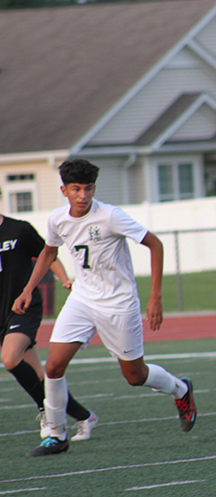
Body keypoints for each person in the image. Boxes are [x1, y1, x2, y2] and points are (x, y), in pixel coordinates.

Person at [13, 159, 197, 457]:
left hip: (119, 303)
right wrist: (28, 289)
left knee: (135, 376)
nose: (83, 195)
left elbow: (155, 244)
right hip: (82, 299)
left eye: (88, 188)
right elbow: (49, 251)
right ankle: (57, 434)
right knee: (54, 366)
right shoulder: (58, 219)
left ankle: (181, 389)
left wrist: (156, 297)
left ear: (94, 188)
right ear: (64, 190)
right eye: (76, 189)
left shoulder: (111, 216)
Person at [1, 213, 97, 441]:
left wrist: (64, 278)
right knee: (39, 376)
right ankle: (84, 416)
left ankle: (46, 412)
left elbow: (49, 254)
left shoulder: (19, 229)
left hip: (22, 307)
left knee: (10, 359)